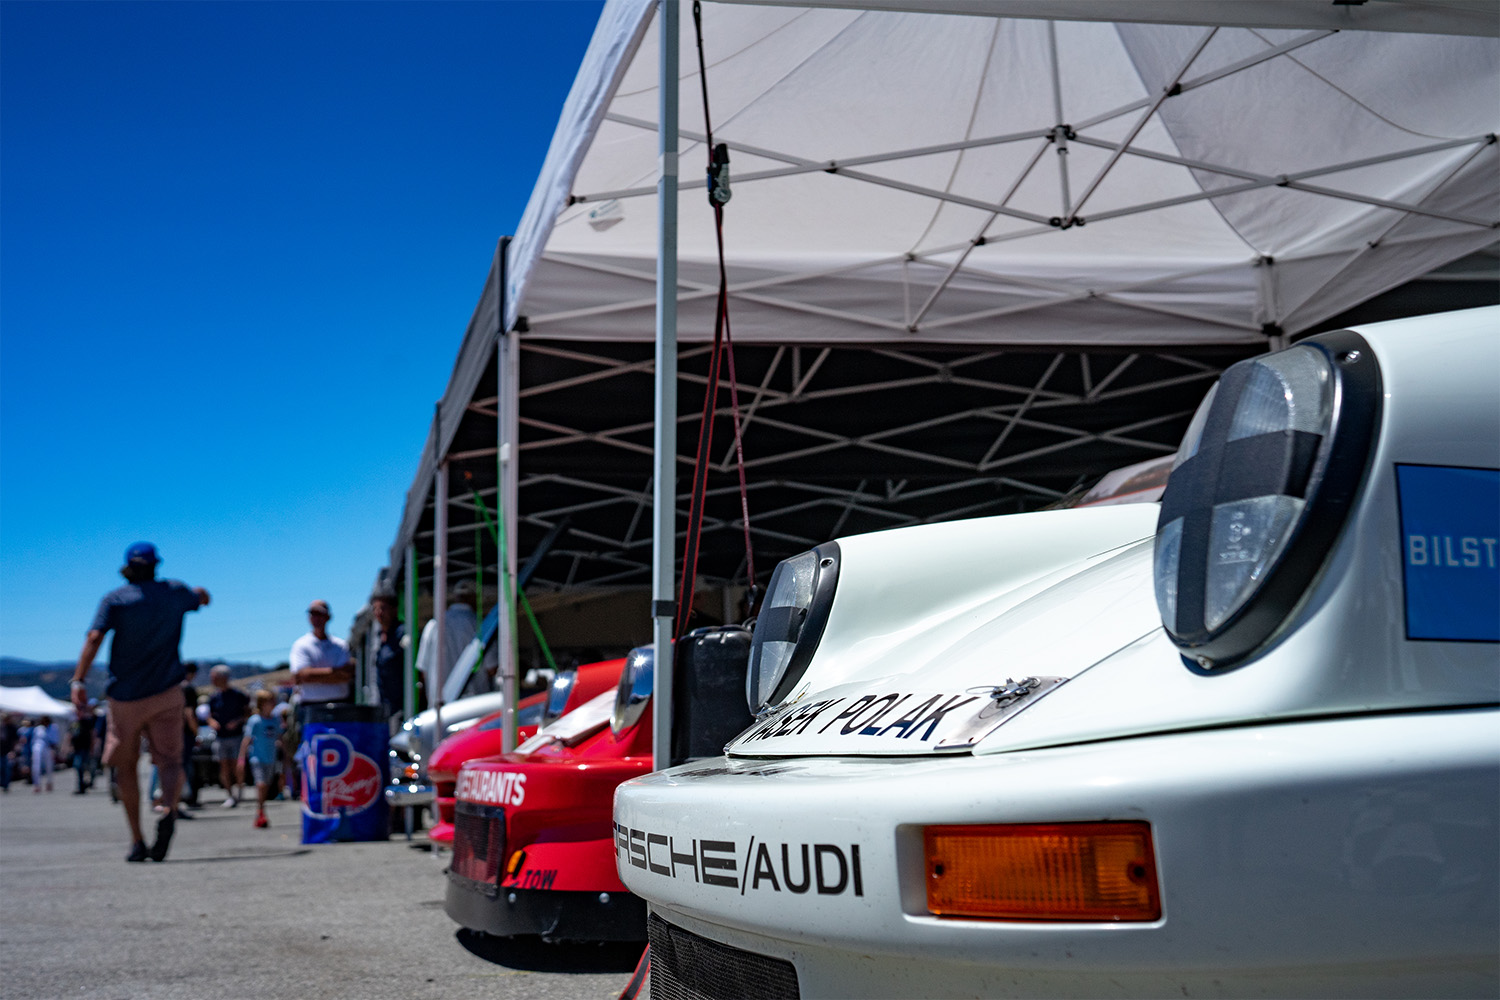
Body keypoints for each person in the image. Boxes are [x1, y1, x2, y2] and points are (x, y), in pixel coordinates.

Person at [71, 541, 210, 863]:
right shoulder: (175, 592)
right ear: (156, 564)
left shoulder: (116, 599)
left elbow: (94, 637)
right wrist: (201, 594)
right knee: (170, 761)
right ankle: (169, 811)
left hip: (125, 696)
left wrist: (79, 679)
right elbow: (201, 598)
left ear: (127, 567)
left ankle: (136, 839)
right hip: (166, 691)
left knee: (126, 765)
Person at [414, 579, 478, 701]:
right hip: (472, 704)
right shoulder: (478, 624)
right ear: (473, 598)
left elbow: (423, 670)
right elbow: (492, 667)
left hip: (439, 705)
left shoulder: (433, 625)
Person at [289, 600, 352, 714]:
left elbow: (346, 675)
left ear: (328, 617)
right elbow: (303, 675)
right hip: (311, 708)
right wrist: (335, 674)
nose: (316, 618)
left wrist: (314, 675)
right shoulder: (301, 645)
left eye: (320, 614)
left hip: (340, 705)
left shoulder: (340, 645)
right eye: (313, 614)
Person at [237, 689, 283, 828]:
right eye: (270, 702)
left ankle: (261, 808)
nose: (273, 704)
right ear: (262, 704)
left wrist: (286, 755)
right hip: (257, 757)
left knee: (267, 785)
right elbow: (247, 740)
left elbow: (280, 738)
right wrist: (241, 758)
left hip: (271, 757)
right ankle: (260, 810)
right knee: (261, 783)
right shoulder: (255, 720)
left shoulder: (275, 720)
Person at [206, 665, 250, 807]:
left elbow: (248, 713)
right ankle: (230, 795)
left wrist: (237, 722)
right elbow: (208, 716)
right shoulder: (214, 697)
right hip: (220, 737)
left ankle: (239, 791)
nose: (212, 680)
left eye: (214, 677)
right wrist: (212, 722)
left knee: (237, 766)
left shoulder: (238, 695)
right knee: (224, 766)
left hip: (236, 736)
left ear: (223, 678)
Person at [370, 588, 406, 726]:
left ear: (394, 609)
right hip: (384, 707)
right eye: (375, 609)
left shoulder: (402, 633)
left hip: (401, 708)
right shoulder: (379, 637)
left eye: (383, 608)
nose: (379, 613)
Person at [178, 664, 201, 807]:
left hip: (173, 733)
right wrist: (196, 732)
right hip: (185, 734)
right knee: (186, 766)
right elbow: (189, 713)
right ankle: (188, 796)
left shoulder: (173, 688)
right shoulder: (188, 688)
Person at [29, 716, 59, 793]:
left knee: (49, 766)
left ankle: (49, 782)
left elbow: (55, 740)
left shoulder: (53, 728)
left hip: (48, 748)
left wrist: (54, 749)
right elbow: (33, 740)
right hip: (37, 748)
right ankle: (37, 784)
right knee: (36, 766)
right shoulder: (38, 729)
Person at [70, 704, 96, 794]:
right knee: (78, 766)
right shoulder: (74, 722)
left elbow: (92, 734)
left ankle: (85, 784)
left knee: (82, 766)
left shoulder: (87, 722)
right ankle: (81, 785)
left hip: (85, 747)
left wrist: (92, 747)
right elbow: (71, 735)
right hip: (77, 748)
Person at [0, 714, 17, 792]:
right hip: (1, 750)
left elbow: (15, 740)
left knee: (7, 768)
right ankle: (2, 783)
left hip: (8, 751)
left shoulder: (11, 728)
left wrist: (13, 751)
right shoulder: (1, 727)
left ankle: (6, 785)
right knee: (1, 768)